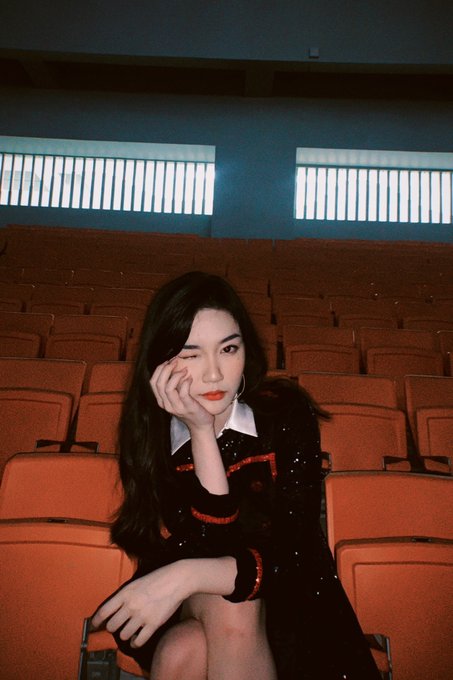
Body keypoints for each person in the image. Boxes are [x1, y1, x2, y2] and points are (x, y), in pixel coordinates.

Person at [92, 271, 381, 680]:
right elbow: (208, 545)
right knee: (231, 607)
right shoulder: (151, 436)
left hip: (285, 591)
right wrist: (200, 432)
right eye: (191, 354)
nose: (214, 374)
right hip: (182, 599)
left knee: (184, 650)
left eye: (228, 348)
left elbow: (294, 552)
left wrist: (184, 576)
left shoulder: (284, 415)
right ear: (161, 363)